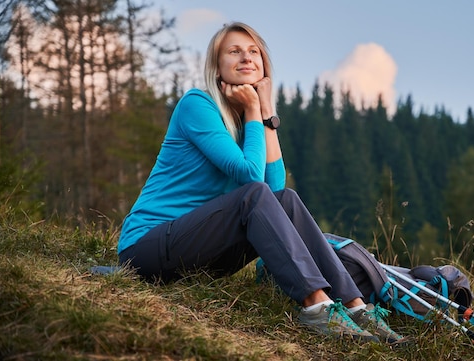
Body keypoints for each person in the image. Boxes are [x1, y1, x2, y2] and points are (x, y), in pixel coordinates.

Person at [116, 21, 403, 344]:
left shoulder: (248, 121)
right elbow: (254, 181)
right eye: (234, 51)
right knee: (254, 195)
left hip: (200, 253)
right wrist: (255, 108)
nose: (246, 58)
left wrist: (265, 111)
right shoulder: (197, 105)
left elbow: (276, 189)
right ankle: (317, 308)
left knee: (287, 199)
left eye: (254, 52)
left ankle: (355, 307)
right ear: (217, 67)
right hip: (147, 248)